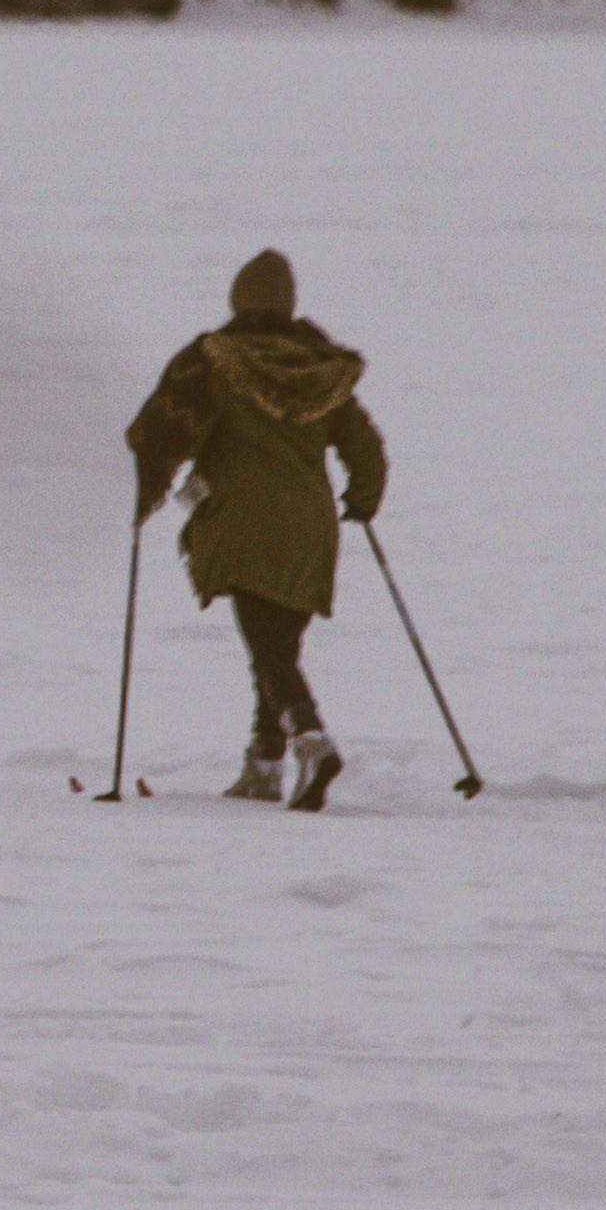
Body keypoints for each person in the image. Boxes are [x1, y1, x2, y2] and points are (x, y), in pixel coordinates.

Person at [124, 247, 386, 810]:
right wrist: (362, 499)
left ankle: (311, 740)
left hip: (245, 525)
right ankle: (264, 766)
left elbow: (162, 429)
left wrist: (148, 480)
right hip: (312, 530)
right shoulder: (322, 371)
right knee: (277, 646)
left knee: (269, 650)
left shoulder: (214, 361)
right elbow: (366, 447)